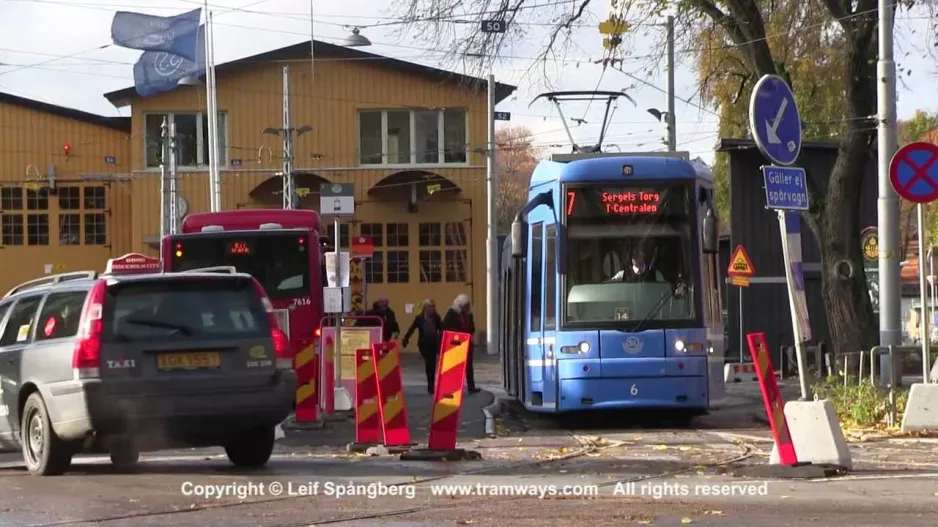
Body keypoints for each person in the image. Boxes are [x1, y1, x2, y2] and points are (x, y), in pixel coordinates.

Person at [441, 294, 481, 394]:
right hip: (456, 343)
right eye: (465, 305)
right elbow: (445, 326)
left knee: (469, 366)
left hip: (467, 343)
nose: (467, 307)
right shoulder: (452, 313)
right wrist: (458, 332)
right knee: (455, 367)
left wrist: (469, 334)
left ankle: (471, 386)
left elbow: (472, 328)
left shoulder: (469, 315)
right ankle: (453, 387)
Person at [402, 299, 443, 393]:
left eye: (433, 307)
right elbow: (411, 329)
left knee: (431, 365)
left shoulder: (436, 317)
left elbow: (441, 328)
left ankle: (431, 386)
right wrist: (406, 339)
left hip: (433, 343)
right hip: (423, 344)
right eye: (430, 307)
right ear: (425, 308)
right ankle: (431, 385)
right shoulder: (419, 318)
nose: (432, 309)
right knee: (429, 363)